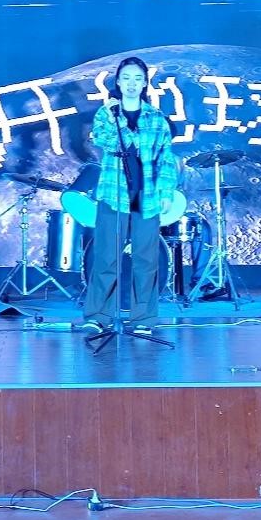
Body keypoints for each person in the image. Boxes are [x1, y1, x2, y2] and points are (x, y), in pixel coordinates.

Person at [79, 56, 178, 336]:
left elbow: (166, 157)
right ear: (118, 83)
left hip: (147, 196)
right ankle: (99, 315)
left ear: (145, 83)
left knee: (146, 260)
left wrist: (166, 191)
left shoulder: (156, 118)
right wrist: (118, 117)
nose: (132, 84)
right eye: (126, 78)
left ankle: (143, 317)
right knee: (106, 258)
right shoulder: (106, 114)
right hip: (113, 194)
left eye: (137, 79)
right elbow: (105, 140)